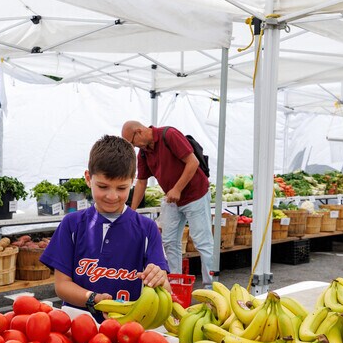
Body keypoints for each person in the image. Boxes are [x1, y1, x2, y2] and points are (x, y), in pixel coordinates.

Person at [40, 135, 170, 319]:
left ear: (133, 181)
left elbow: (165, 288)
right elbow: (61, 285)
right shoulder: (71, 225)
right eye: (103, 186)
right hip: (76, 325)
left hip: (127, 328)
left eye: (121, 188)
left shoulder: (147, 229)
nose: (112, 196)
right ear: (88, 178)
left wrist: (159, 277)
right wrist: (92, 299)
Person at [122, 121, 214, 286]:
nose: (134, 147)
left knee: (202, 242)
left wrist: (177, 189)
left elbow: (193, 162)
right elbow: (141, 182)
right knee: (169, 241)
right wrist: (132, 211)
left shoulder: (169, 135)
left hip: (195, 194)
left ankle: (211, 286)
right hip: (172, 200)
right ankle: (175, 284)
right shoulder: (143, 154)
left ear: (139, 132)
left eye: (132, 142)